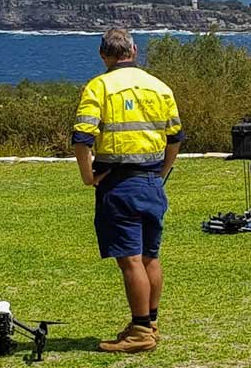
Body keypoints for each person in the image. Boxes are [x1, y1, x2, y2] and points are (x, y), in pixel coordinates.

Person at [72, 28, 184, 354]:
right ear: (134, 50)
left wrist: (87, 177)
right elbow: (175, 137)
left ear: (103, 54)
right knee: (150, 256)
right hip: (152, 181)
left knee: (130, 260)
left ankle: (139, 331)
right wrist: (162, 172)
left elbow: (82, 139)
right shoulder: (159, 87)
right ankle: (150, 322)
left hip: (118, 183)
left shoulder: (99, 87)